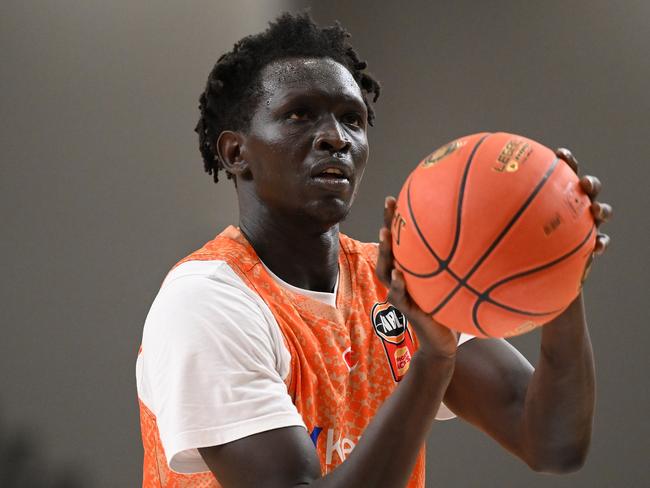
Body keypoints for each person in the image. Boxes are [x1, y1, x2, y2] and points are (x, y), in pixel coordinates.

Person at [135, 12, 612, 488]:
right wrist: (433, 363)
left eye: (352, 120)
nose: (336, 137)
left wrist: (562, 263)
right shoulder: (205, 301)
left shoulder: (399, 281)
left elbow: (552, 442)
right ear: (237, 153)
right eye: (300, 114)